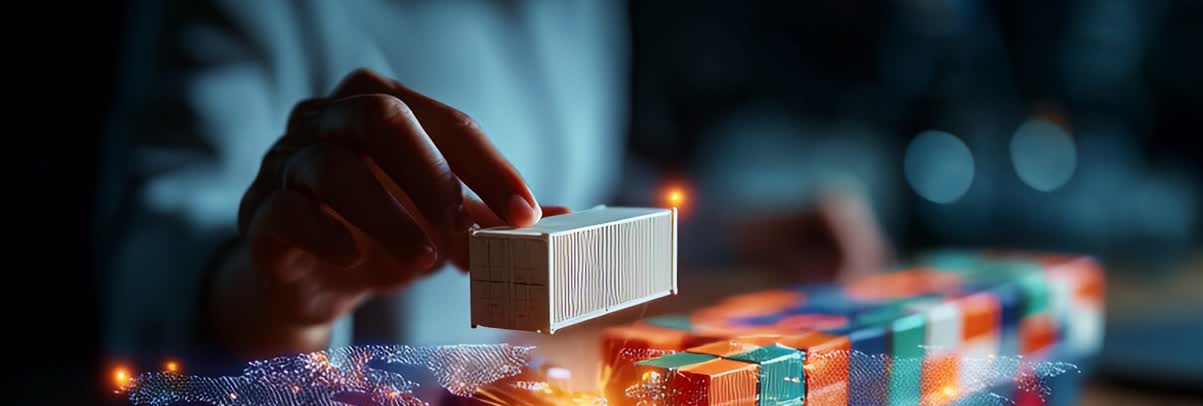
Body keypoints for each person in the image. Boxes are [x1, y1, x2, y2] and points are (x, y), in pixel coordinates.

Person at [98, 1, 886, 362]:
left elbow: (567, 190)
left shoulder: (580, 11)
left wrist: (739, 234)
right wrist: (281, 293)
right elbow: (144, 275)